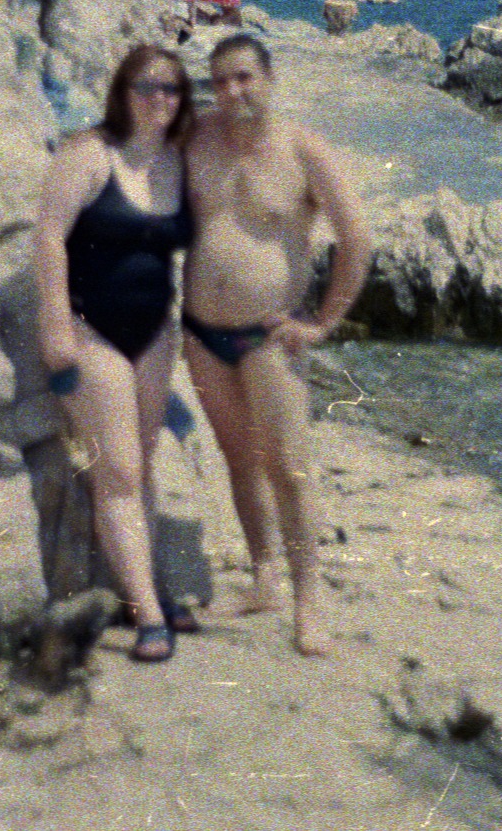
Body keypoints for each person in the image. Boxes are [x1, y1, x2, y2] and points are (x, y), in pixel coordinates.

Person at [182, 33, 371, 656]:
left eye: (243, 78)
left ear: (269, 78)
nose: (231, 91)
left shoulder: (303, 150)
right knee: (237, 458)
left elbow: (356, 240)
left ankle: (307, 604)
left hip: (270, 334)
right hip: (201, 332)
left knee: (287, 469)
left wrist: (324, 322)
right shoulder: (197, 138)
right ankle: (263, 578)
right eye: (220, 80)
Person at [32, 45, 198, 664]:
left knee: (143, 465)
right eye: (145, 87)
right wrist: (54, 322)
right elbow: (49, 235)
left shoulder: (176, 163)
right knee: (121, 471)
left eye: (172, 89)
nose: (159, 98)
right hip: (89, 328)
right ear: (122, 92)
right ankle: (149, 613)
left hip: (155, 332)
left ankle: (141, 590)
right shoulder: (88, 154)